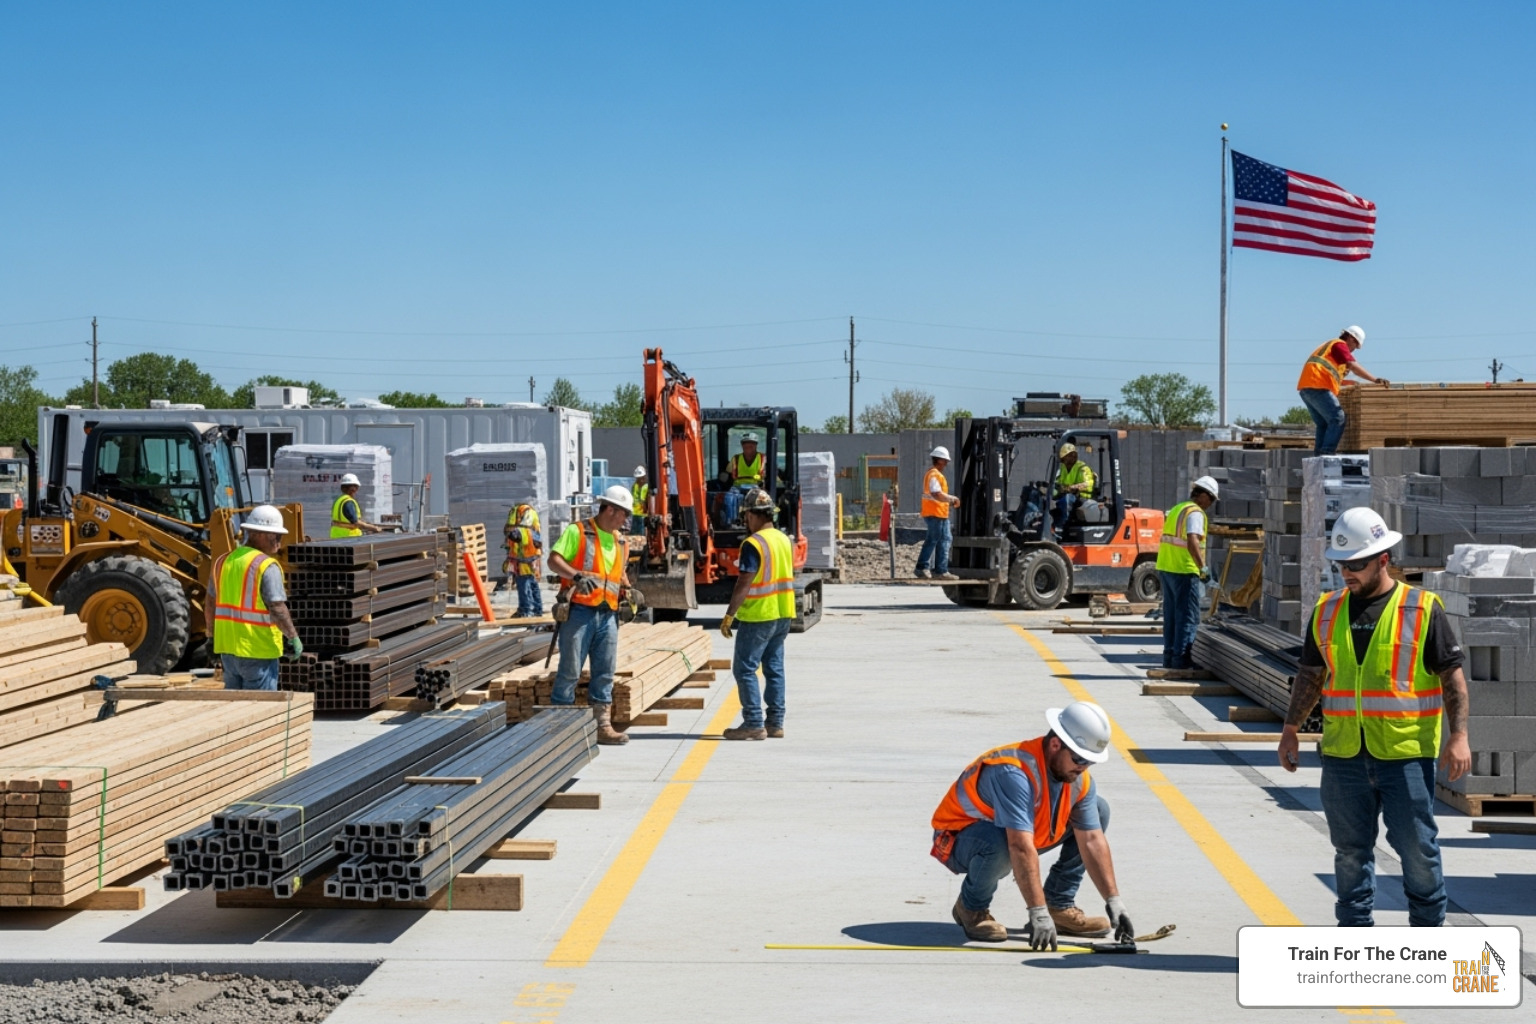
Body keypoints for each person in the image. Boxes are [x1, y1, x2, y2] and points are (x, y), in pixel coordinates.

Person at [1278, 507, 1471, 928]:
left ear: (1383, 558)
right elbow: (1311, 674)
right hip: (1344, 753)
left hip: (1403, 754)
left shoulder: (1421, 608)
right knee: (1349, 851)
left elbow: (1451, 677)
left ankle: (1427, 937)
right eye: (1341, 564)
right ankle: (1355, 937)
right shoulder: (1327, 611)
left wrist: (1459, 736)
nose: (1347, 572)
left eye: (1356, 564)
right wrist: (1291, 729)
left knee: (1417, 849)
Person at [930, 702, 1135, 949]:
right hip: (959, 838)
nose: (1082, 768)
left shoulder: (1079, 779)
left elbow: (1091, 840)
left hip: (1018, 835)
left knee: (1098, 810)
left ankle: (1058, 905)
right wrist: (1037, 913)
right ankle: (971, 908)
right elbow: (1019, 846)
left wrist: (1114, 900)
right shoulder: (1013, 772)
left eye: (1090, 761)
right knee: (1001, 844)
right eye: (1078, 758)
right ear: (1055, 744)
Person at [547, 485, 635, 745]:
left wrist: (629, 591)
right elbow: (553, 561)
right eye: (623, 514)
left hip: (608, 615)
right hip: (580, 612)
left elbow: (618, 574)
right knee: (570, 670)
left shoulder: (621, 540)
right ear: (610, 509)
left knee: (605, 671)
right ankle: (559, 727)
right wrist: (575, 576)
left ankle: (601, 725)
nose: (625, 520)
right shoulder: (578, 532)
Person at [718, 487, 795, 740]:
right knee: (774, 668)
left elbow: (744, 581)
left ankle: (753, 722)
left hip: (759, 615)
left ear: (753, 514)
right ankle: (775, 722)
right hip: (783, 613)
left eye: (746, 517)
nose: (746, 522)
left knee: (744, 669)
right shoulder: (783, 539)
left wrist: (730, 614)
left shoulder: (754, 543)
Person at [208, 505, 301, 690]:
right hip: (258, 652)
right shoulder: (266, 565)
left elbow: (210, 603)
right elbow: (276, 607)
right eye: (276, 536)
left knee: (236, 711)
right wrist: (292, 637)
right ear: (259, 534)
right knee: (261, 710)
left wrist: (211, 637)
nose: (279, 543)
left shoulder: (223, 562)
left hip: (228, 652)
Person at [1296, 326, 1391, 456]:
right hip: (1317, 385)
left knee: (1324, 424)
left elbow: (1334, 377)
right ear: (1351, 338)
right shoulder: (1339, 345)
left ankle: (1318, 457)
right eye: (1355, 346)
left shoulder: (1331, 353)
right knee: (1338, 418)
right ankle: (1327, 454)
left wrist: (1351, 383)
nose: (1353, 351)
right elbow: (1352, 365)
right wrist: (1374, 380)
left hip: (1307, 387)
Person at [1156, 476, 1219, 670]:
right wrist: (1203, 569)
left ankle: (1170, 658)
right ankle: (1182, 660)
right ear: (1203, 495)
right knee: (1188, 617)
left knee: (1172, 616)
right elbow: (1192, 540)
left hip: (1167, 567)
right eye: (1212, 499)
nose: (1212, 504)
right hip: (1184, 570)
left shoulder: (1178, 508)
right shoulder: (1195, 513)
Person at [914, 445, 959, 580]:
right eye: (945, 460)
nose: (946, 463)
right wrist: (952, 498)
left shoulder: (935, 474)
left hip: (940, 514)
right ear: (939, 460)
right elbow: (936, 494)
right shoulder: (934, 475)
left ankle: (940, 570)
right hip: (935, 514)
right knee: (933, 540)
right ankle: (922, 567)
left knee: (945, 540)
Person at [503, 502, 544, 619]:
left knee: (523, 585)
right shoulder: (533, 525)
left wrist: (509, 528)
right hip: (533, 559)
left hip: (522, 561)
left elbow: (511, 533)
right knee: (532, 584)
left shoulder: (520, 530)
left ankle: (526, 611)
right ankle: (537, 609)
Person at [1053, 443, 1095, 537]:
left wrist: (1073, 487)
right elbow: (1059, 481)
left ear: (1073, 456)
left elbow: (1088, 484)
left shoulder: (1082, 468)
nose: (1064, 462)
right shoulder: (1064, 467)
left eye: (1065, 459)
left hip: (1082, 498)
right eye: (1062, 460)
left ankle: (1062, 528)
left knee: (1067, 499)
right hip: (1069, 495)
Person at [722, 433, 766, 524]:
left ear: (756, 445)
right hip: (737, 486)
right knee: (729, 498)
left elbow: (765, 473)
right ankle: (731, 522)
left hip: (755, 486)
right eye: (745, 443)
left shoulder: (762, 458)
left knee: (757, 499)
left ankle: (755, 523)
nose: (748, 446)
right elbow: (727, 472)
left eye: (751, 443)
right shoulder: (736, 458)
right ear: (742, 445)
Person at [330, 473, 384, 538]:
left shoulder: (338, 500)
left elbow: (344, 520)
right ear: (353, 488)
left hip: (335, 536)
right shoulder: (348, 502)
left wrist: (366, 524)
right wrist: (373, 528)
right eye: (356, 487)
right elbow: (356, 522)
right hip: (349, 537)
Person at [630, 464, 650, 533]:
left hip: (641, 514)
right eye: (638, 478)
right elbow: (637, 499)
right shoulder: (636, 486)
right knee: (636, 533)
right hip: (637, 513)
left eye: (641, 478)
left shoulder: (645, 487)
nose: (639, 480)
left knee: (639, 532)